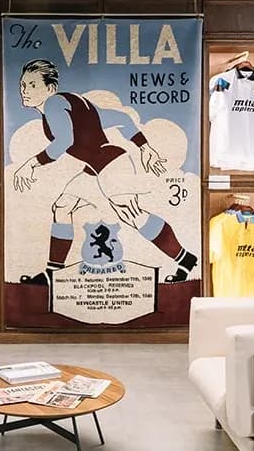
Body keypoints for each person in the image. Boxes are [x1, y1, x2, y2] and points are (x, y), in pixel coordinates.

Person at [11, 58, 197, 284]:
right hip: (94, 168)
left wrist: (31, 163)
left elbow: (64, 142)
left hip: (111, 162)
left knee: (132, 214)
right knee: (62, 206)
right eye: (22, 85)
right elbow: (121, 118)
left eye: (32, 85)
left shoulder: (54, 105)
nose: (24, 91)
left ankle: (185, 258)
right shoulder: (72, 102)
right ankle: (52, 273)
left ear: (50, 88)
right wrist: (144, 147)